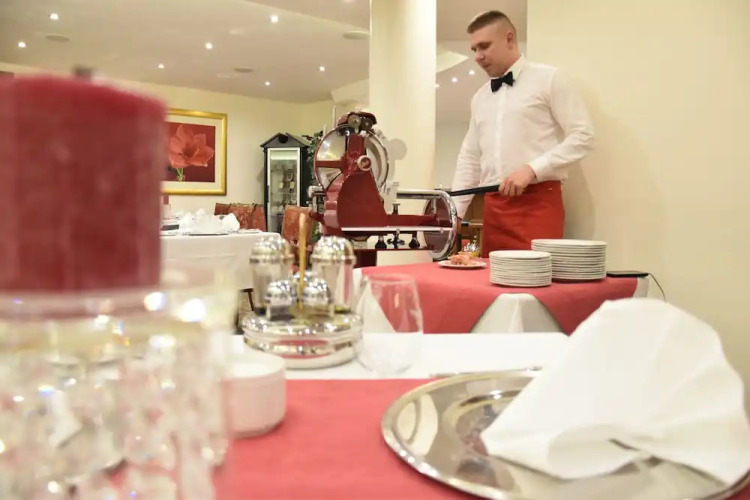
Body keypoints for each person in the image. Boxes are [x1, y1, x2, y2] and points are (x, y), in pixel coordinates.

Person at [451, 10, 594, 255]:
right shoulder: (480, 97)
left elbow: (584, 136)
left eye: (484, 46)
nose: (477, 56)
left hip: (537, 205)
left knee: (536, 277)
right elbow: (470, 158)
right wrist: (455, 213)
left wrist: (532, 169)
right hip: (493, 209)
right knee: (493, 278)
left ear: (509, 39)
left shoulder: (550, 79)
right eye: (474, 49)